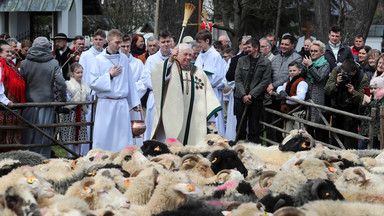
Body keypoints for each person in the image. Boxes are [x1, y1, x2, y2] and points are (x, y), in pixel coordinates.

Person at [151, 43, 222, 145]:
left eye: (190, 55)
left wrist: (211, 120)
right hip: (174, 116)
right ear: (177, 54)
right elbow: (159, 77)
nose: (188, 58)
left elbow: (208, 96)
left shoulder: (199, 73)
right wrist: (171, 58)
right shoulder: (171, 68)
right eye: (185, 54)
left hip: (195, 120)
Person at [89, 29, 140, 152]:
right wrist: (109, 75)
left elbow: (130, 81)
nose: (119, 46)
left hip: (121, 104)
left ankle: (122, 159)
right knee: (104, 136)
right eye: (117, 43)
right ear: (108, 41)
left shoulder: (124, 59)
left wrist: (134, 102)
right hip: (106, 104)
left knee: (122, 137)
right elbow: (93, 82)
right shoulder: (99, 60)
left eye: (120, 43)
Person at [20, 37, 67, 158]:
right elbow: (61, 83)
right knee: (44, 135)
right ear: (47, 47)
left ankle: (27, 162)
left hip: (28, 104)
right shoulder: (53, 63)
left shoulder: (25, 63)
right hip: (47, 104)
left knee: (28, 134)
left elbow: (20, 83)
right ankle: (43, 162)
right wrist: (61, 102)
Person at [324, 59, 368, 149]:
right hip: (337, 109)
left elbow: (364, 99)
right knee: (335, 140)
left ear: (354, 72)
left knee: (350, 142)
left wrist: (353, 92)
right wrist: (336, 83)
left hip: (352, 113)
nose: (344, 75)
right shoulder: (337, 70)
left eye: (347, 73)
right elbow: (326, 90)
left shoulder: (362, 77)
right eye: (343, 72)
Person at [266, 34, 302, 143]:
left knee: (286, 124)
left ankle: (285, 144)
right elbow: (270, 73)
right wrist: (269, 85)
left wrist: (274, 85)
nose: (283, 46)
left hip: (286, 95)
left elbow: (289, 75)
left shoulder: (296, 57)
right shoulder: (276, 57)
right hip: (273, 94)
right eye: (282, 44)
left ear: (292, 45)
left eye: (286, 44)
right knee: (272, 122)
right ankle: (272, 144)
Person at [234, 38, 271, 143]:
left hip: (256, 100)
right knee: (240, 126)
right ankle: (239, 147)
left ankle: (254, 148)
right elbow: (238, 79)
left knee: (254, 127)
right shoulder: (241, 60)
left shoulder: (266, 62)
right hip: (240, 98)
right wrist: (243, 95)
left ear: (256, 48)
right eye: (246, 47)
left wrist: (252, 95)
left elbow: (265, 81)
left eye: (249, 47)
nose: (246, 49)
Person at [78, 29, 106, 155]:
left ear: (105, 41)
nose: (98, 42)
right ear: (92, 40)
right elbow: (82, 75)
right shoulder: (86, 55)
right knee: (88, 125)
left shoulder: (106, 54)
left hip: (102, 93)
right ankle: (86, 153)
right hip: (89, 92)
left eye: (101, 39)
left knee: (100, 125)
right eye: (96, 39)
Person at [142, 30, 173, 141]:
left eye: (167, 41)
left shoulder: (177, 57)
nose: (165, 44)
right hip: (156, 96)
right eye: (163, 42)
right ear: (159, 43)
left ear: (171, 42)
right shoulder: (152, 59)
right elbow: (145, 78)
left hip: (171, 97)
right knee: (153, 126)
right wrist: (158, 84)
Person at [195, 29, 226, 136]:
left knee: (213, 119)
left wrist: (207, 83)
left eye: (200, 42)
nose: (198, 45)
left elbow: (219, 75)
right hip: (200, 91)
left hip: (211, 90)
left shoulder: (215, 55)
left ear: (207, 41)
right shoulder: (200, 55)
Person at [302, 40, 330, 143]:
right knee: (307, 125)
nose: (312, 53)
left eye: (315, 51)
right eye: (311, 51)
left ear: (322, 52)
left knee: (318, 126)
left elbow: (319, 78)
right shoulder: (309, 62)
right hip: (307, 96)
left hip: (318, 98)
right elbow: (303, 77)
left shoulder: (325, 64)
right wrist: (304, 68)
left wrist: (310, 66)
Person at [59, 63, 90, 157]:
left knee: (79, 135)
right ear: (72, 74)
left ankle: (77, 155)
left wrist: (85, 102)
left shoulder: (85, 86)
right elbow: (67, 99)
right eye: (78, 73)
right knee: (70, 135)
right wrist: (75, 102)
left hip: (80, 113)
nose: (80, 74)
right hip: (70, 113)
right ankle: (70, 156)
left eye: (81, 72)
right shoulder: (68, 85)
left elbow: (87, 99)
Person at [0, 40, 25, 145]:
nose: (10, 53)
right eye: (7, 52)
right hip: (4, 108)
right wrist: (5, 101)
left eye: (10, 51)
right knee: (4, 138)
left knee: (12, 138)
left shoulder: (10, 64)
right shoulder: (1, 66)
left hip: (13, 108)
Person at [276, 61, 308, 133]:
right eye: (290, 71)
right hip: (289, 111)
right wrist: (281, 91)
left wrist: (286, 100)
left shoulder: (301, 82)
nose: (292, 72)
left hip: (298, 111)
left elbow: (300, 98)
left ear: (299, 71)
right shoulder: (289, 81)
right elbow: (280, 87)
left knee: (298, 132)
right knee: (288, 131)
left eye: (294, 70)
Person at [359, 76, 384, 149]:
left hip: (377, 133)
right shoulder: (371, 97)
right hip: (365, 131)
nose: (372, 90)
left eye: (375, 88)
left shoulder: (382, 99)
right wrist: (363, 104)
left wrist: (369, 103)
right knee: (361, 149)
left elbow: (379, 111)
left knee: (374, 152)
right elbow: (361, 113)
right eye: (371, 88)